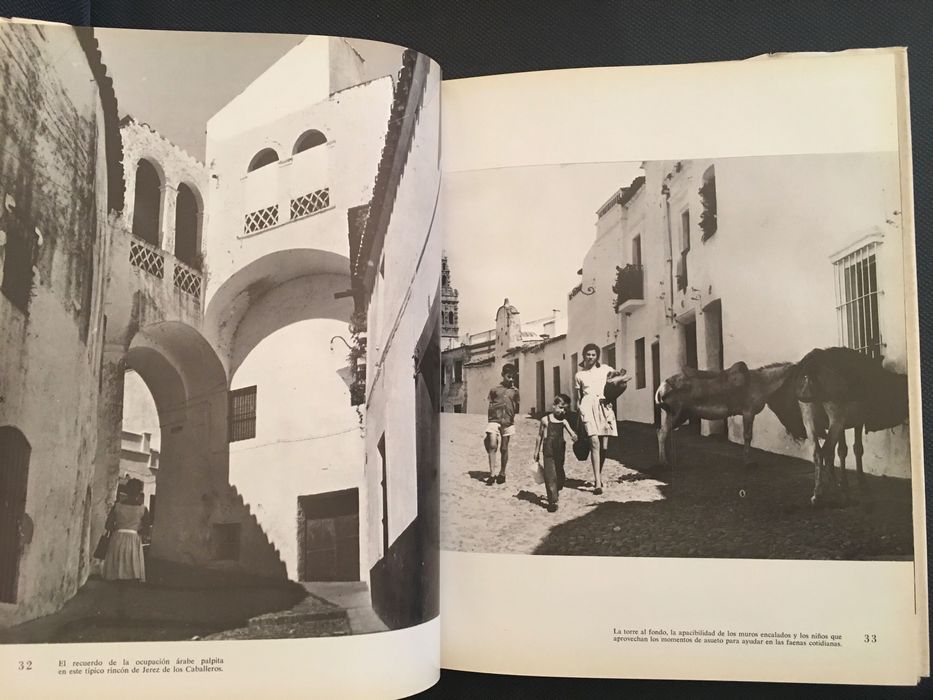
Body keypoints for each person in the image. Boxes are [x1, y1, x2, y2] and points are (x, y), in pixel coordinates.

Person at [575, 343, 629, 495]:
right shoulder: (579, 375)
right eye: (588, 354)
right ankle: (597, 482)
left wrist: (619, 381)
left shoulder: (606, 369)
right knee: (594, 442)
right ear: (584, 356)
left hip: (604, 406)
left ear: (597, 356)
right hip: (587, 407)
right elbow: (578, 398)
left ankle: (598, 473)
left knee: (604, 446)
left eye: (593, 354)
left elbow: (619, 379)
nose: (590, 357)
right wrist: (579, 410)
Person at [534, 393, 577, 513]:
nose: (562, 411)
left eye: (565, 409)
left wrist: (575, 436)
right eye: (560, 407)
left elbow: (572, 433)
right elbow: (539, 436)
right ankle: (552, 501)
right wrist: (536, 451)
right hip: (548, 449)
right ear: (554, 406)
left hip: (560, 449)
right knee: (549, 474)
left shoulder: (563, 421)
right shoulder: (545, 420)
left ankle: (558, 487)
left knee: (558, 470)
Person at [103, 478, 151, 583]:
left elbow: (108, 525)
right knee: (131, 569)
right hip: (133, 540)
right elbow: (146, 530)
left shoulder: (117, 506)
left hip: (117, 539)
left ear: (127, 491)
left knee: (116, 569)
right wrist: (135, 528)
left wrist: (120, 527)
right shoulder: (143, 509)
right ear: (140, 492)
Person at [484, 363, 520, 485]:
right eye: (508, 376)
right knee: (493, 444)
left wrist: (511, 415)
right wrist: (491, 418)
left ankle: (502, 473)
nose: (511, 379)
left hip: (508, 422)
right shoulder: (494, 389)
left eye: (513, 377)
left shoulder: (515, 392)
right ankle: (492, 474)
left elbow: (516, 405)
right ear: (503, 375)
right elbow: (490, 403)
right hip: (494, 420)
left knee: (504, 448)